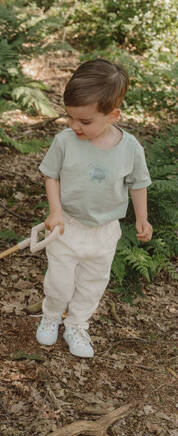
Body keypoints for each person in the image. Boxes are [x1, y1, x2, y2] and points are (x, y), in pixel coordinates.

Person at [35, 59, 153, 358]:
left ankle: (77, 325)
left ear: (113, 115)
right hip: (67, 226)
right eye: (70, 118)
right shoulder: (65, 141)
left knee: (92, 285)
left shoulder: (130, 148)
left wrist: (142, 217)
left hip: (104, 232)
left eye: (85, 121)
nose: (75, 126)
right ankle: (51, 316)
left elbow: (138, 183)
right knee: (59, 282)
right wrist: (55, 211)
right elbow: (52, 175)